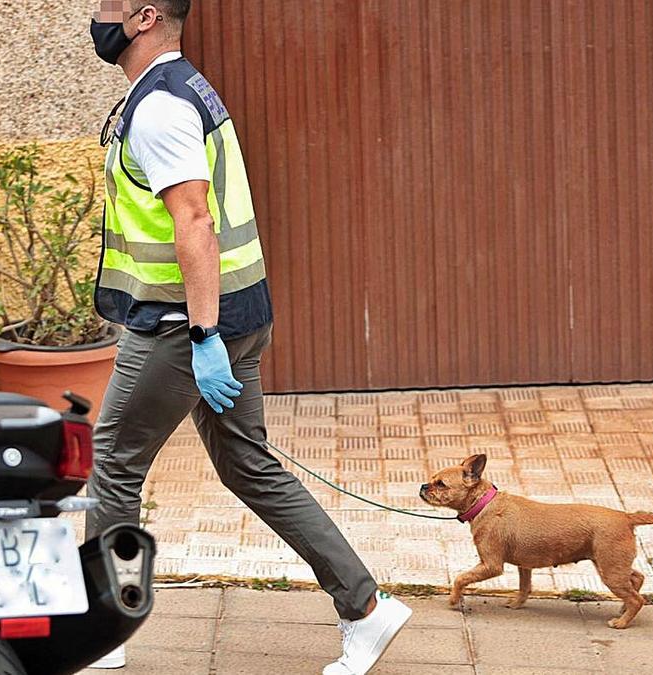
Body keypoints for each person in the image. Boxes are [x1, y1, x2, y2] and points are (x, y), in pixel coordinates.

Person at [85, 1, 411, 672]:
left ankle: (99, 634)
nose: (96, 16)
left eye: (107, 6)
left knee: (115, 462)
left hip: (181, 325)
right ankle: (367, 606)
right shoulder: (184, 87)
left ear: (144, 18)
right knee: (248, 465)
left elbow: (196, 220)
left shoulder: (161, 107)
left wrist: (202, 333)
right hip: (233, 314)